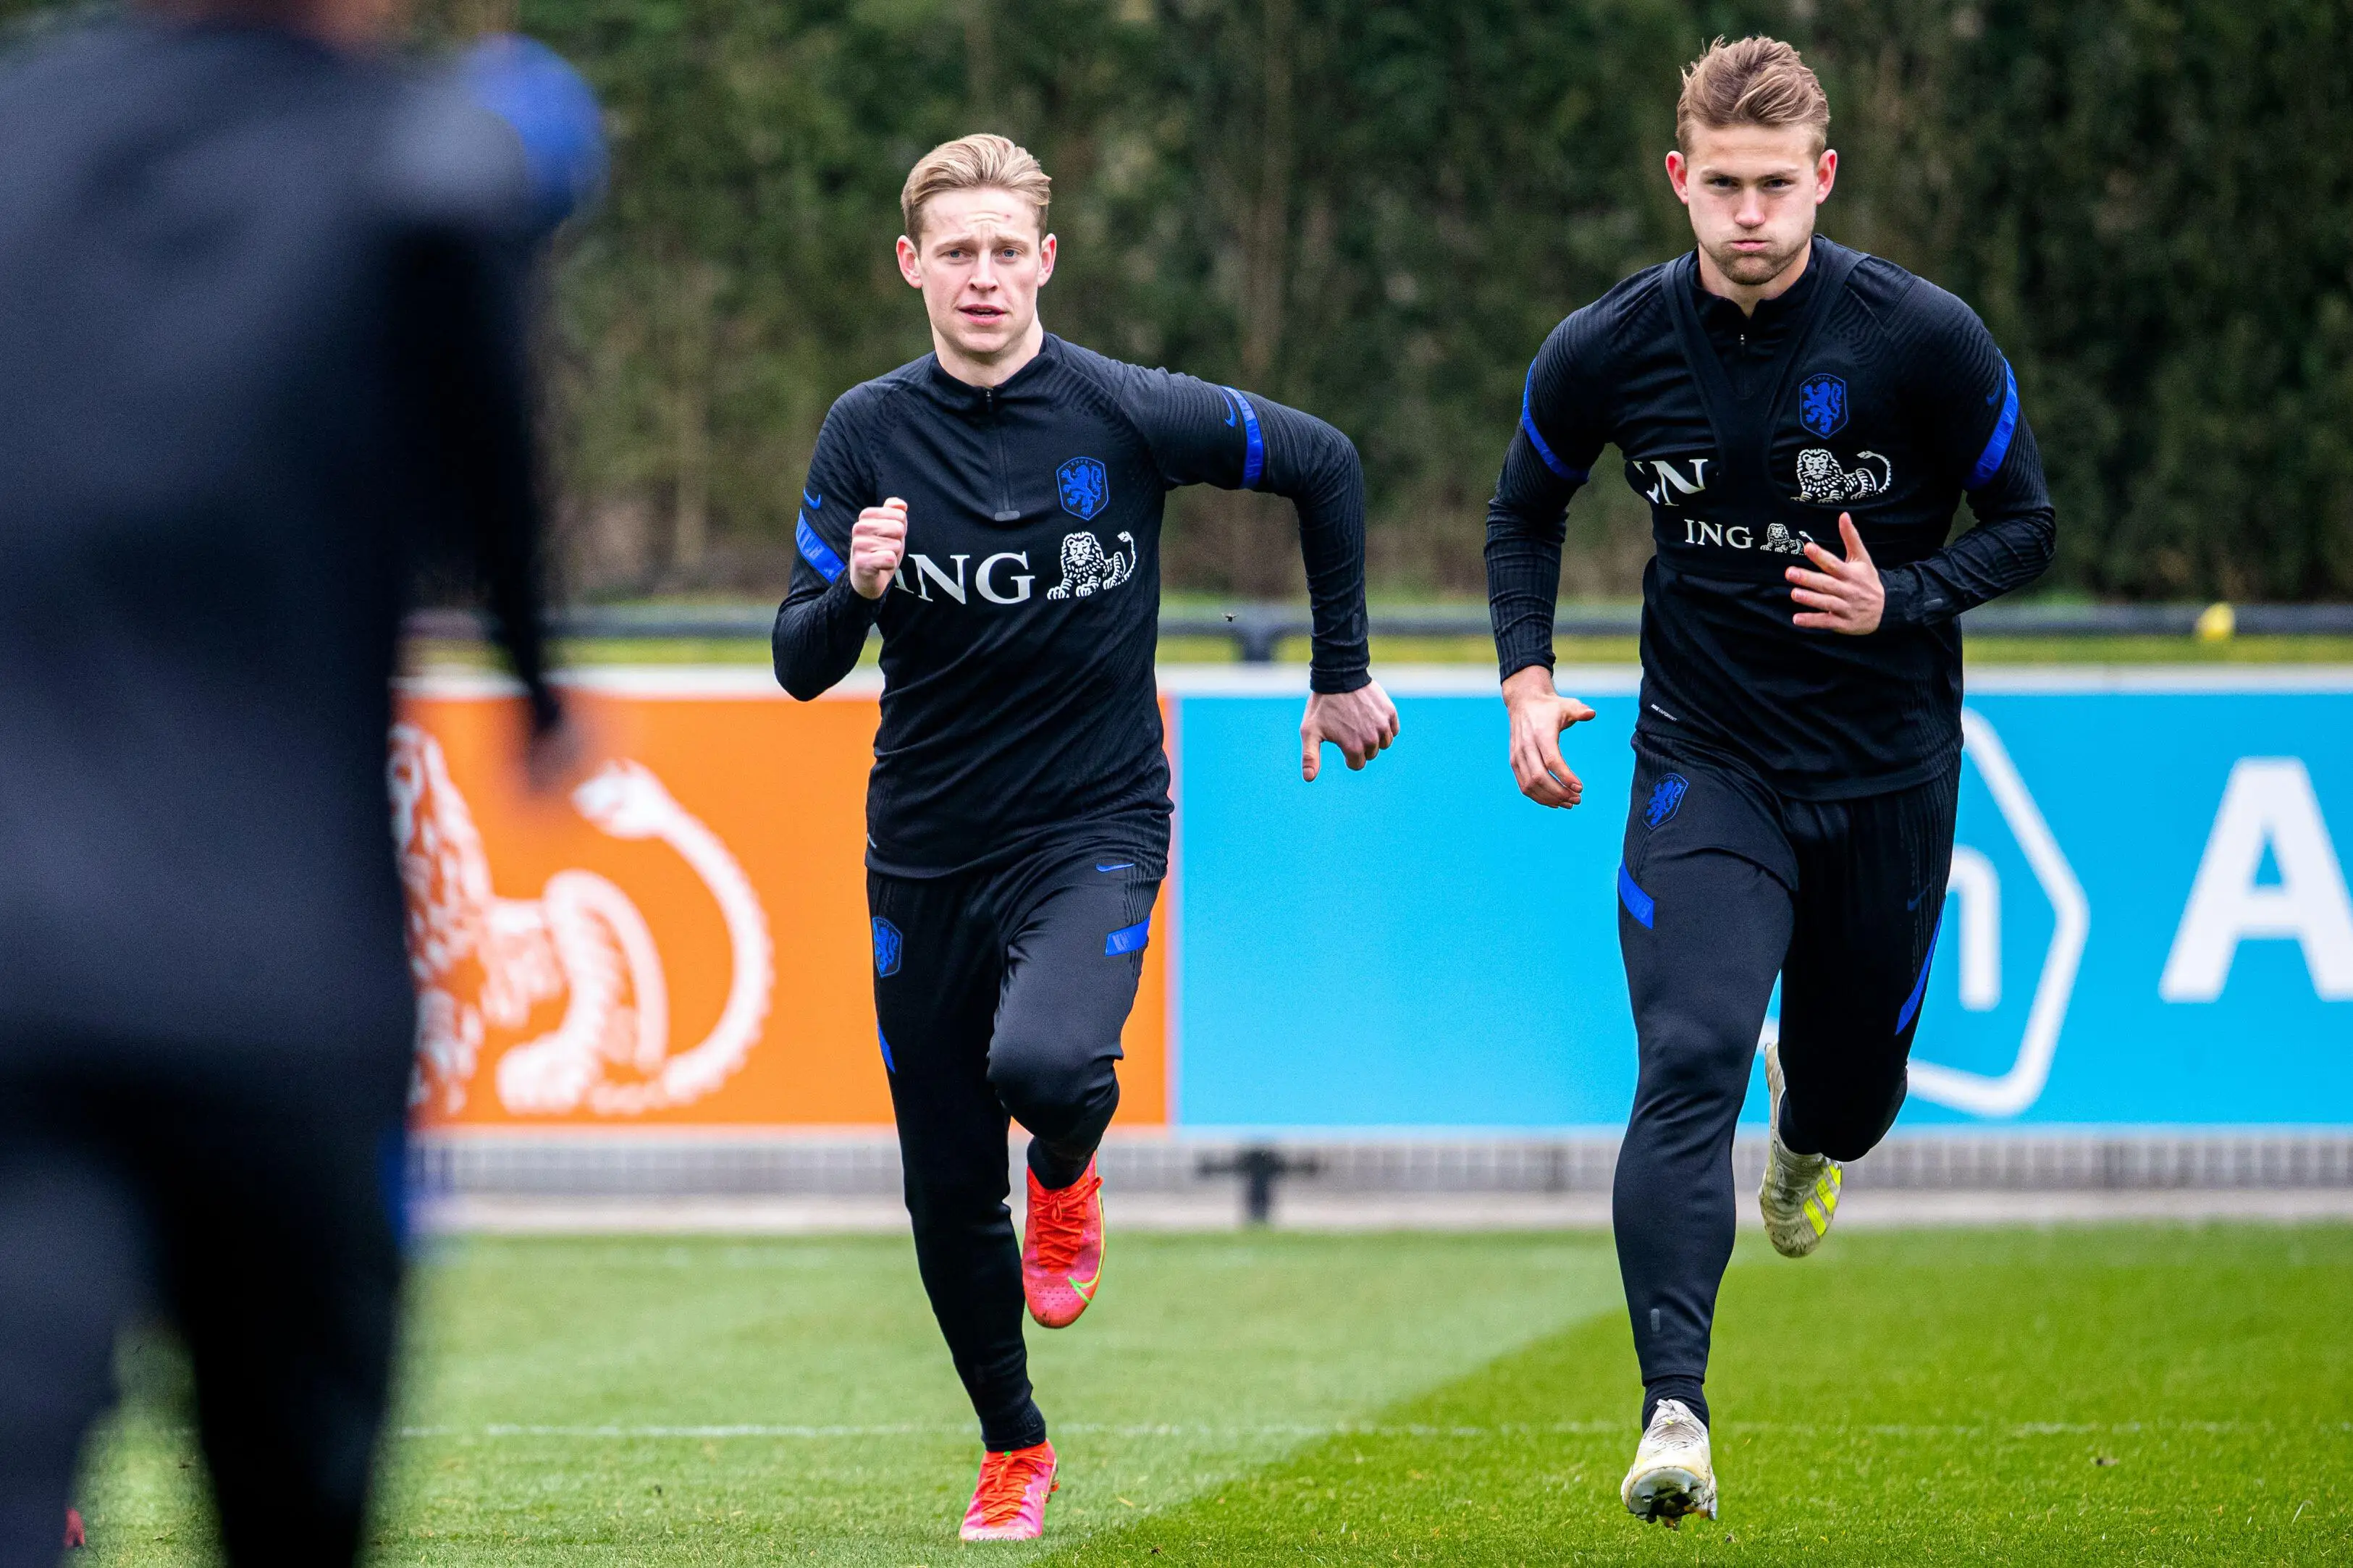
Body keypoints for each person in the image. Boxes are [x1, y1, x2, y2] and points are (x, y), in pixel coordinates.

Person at [0, 2, 589, 1562]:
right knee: (295, 1503)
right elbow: (490, 451)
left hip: (20, 970)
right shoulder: (416, 160)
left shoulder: (19, 137)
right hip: (281, 985)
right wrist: (541, 691)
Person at [774, 133, 1397, 1543]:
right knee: (941, 1176)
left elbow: (1322, 463)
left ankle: (1065, 1170)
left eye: (1007, 251)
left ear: (1044, 261)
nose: (983, 276)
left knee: (1044, 1064)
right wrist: (856, 587)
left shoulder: (1122, 410)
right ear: (911, 266)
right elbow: (799, 662)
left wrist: (1338, 667)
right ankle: (1013, 1447)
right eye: (957, 253)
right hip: (923, 847)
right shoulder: (865, 435)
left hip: (1092, 823)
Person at [1483, 37, 2055, 1525]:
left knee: (1854, 1098)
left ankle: (1810, 1136)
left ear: (1822, 180)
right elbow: (1523, 506)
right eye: (1720, 186)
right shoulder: (1606, 347)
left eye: (1774, 187)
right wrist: (1525, 677)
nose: (1748, 214)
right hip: (1703, 759)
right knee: (1684, 1058)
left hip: (1882, 772)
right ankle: (1673, 1409)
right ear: (1679, 181)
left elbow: (2030, 526)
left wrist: (1903, 601)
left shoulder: (1918, 339)